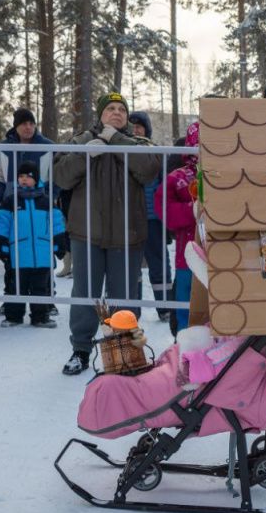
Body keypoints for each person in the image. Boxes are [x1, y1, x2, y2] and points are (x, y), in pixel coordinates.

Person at [54, 92, 160, 375]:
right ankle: (80, 349)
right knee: (85, 294)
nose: (116, 113)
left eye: (121, 109)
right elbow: (61, 176)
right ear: (100, 114)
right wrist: (86, 154)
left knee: (124, 296)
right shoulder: (80, 140)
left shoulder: (138, 143)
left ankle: (126, 351)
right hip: (86, 233)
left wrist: (116, 140)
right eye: (110, 108)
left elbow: (150, 170)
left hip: (128, 235)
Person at [0, 160, 65, 329]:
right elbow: (2, 225)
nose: (24, 179)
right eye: (21, 176)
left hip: (42, 254)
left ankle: (40, 317)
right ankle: (14, 316)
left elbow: (57, 223)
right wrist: (2, 245)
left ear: (36, 179)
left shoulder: (47, 201)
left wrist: (59, 242)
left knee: (41, 288)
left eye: (28, 176)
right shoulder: (11, 201)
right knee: (16, 287)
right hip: (19, 253)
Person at [154, 121, 199, 334]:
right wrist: (192, 210)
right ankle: (184, 346)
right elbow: (164, 208)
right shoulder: (179, 178)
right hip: (188, 256)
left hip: (226, 254)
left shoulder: (232, 173)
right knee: (186, 305)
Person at [131, 110, 172, 321]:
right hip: (129, 219)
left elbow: (164, 184)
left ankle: (164, 306)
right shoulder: (122, 151)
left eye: (140, 126)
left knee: (159, 262)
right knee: (132, 264)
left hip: (153, 217)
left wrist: (165, 215)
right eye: (133, 125)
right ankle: (133, 309)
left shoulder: (156, 151)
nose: (136, 129)